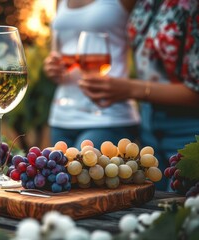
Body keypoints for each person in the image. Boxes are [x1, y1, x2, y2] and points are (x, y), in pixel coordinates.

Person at [78, 0, 199, 191]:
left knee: (181, 210)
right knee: (148, 206)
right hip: (149, 124)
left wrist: (130, 89)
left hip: (189, 129)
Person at [43, 0, 140, 149]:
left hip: (108, 116)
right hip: (62, 116)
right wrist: (52, 67)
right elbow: (57, 51)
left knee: (85, 169)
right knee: (58, 171)